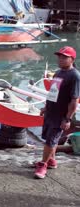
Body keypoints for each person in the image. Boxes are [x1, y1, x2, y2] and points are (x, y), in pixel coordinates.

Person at [35, 46, 80, 179]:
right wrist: (46, 107)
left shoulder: (75, 76)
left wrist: (67, 119)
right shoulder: (58, 73)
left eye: (64, 57)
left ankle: (43, 165)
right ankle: (52, 161)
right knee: (50, 139)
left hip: (60, 116)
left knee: (50, 141)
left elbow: (74, 100)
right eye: (60, 56)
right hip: (51, 113)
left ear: (72, 59)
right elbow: (53, 93)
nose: (61, 59)